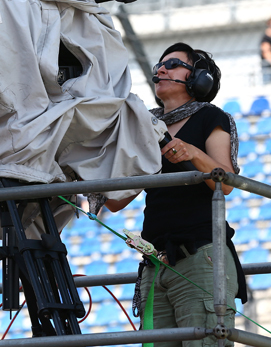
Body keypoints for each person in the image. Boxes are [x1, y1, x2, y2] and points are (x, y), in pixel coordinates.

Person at [105, 43, 246, 347]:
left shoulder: (212, 118)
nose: (161, 69)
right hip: (156, 262)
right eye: (160, 65)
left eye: (172, 64)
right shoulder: (146, 128)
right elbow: (115, 202)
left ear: (199, 79)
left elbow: (226, 181)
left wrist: (193, 152)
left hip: (199, 258)